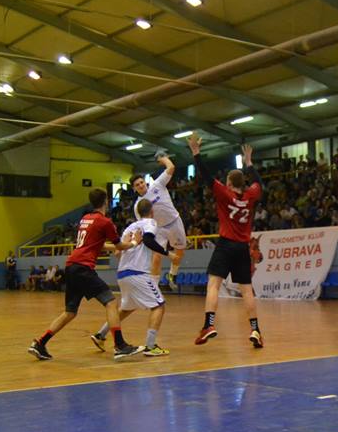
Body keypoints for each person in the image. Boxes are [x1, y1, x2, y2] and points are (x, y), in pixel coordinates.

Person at [28, 188, 144, 360]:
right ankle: (120, 346)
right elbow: (119, 246)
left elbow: (99, 245)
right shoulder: (105, 222)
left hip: (71, 266)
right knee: (111, 302)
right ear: (106, 201)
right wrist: (134, 242)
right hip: (83, 268)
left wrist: (122, 245)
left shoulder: (85, 219)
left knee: (70, 312)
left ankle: (40, 343)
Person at [187, 133, 265, 348]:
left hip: (225, 245)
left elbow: (206, 176)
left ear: (229, 183)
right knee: (246, 290)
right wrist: (249, 163)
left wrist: (196, 153)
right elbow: (259, 183)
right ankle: (255, 330)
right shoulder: (251, 195)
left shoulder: (224, 193)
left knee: (213, 284)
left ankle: (209, 325)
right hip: (242, 248)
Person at [91, 198, 173, 357]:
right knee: (159, 306)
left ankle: (101, 334)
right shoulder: (151, 223)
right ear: (152, 211)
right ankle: (151, 346)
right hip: (138, 273)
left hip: (122, 274)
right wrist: (168, 254)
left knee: (127, 308)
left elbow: (117, 253)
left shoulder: (129, 228)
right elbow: (148, 240)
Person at [131, 152, 186, 292]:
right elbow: (142, 224)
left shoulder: (157, 184)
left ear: (145, 182)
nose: (141, 185)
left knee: (179, 253)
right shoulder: (138, 206)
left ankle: (172, 275)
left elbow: (171, 167)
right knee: (156, 257)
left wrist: (163, 159)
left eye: (141, 182)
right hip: (159, 229)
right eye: (137, 185)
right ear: (134, 188)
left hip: (174, 221)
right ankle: (154, 289)